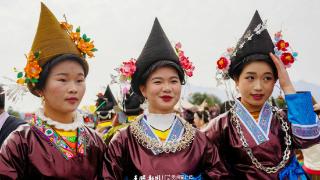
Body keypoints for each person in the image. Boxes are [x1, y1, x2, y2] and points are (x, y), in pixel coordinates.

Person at [105, 18, 229, 179]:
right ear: (143, 89)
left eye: (173, 81)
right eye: (158, 81)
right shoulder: (123, 141)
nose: (167, 88)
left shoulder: (199, 141)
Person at [205, 11, 320, 179]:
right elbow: (210, 169)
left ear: (276, 80)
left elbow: (310, 138)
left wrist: (287, 85)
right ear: (236, 80)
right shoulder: (219, 127)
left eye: (267, 78)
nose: (258, 86)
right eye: (250, 77)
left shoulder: (285, 119)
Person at [0, 3, 107, 179]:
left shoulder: (96, 142)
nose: (73, 88)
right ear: (40, 87)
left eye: (80, 80)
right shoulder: (20, 142)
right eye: (62, 79)